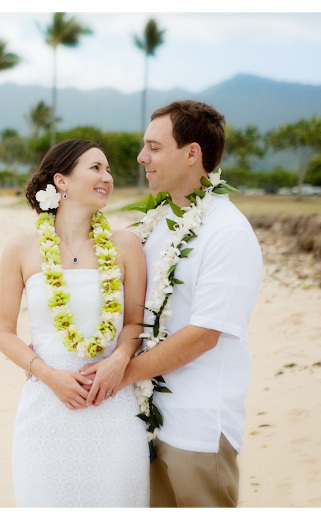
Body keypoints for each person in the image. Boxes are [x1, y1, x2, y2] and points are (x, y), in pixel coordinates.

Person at [115, 100, 263, 507]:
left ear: (192, 153)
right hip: (147, 421)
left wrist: (119, 375)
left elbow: (203, 335)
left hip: (198, 428)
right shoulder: (158, 223)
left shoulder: (227, 232)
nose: (142, 157)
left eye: (154, 147)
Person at [0, 139, 149, 507]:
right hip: (47, 404)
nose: (107, 177)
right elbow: (1, 331)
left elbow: (134, 324)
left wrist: (118, 360)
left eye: (108, 170)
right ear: (61, 181)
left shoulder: (126, 245)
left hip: (112, 402)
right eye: (96, 168)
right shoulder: (21, 249)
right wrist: (49, 375)